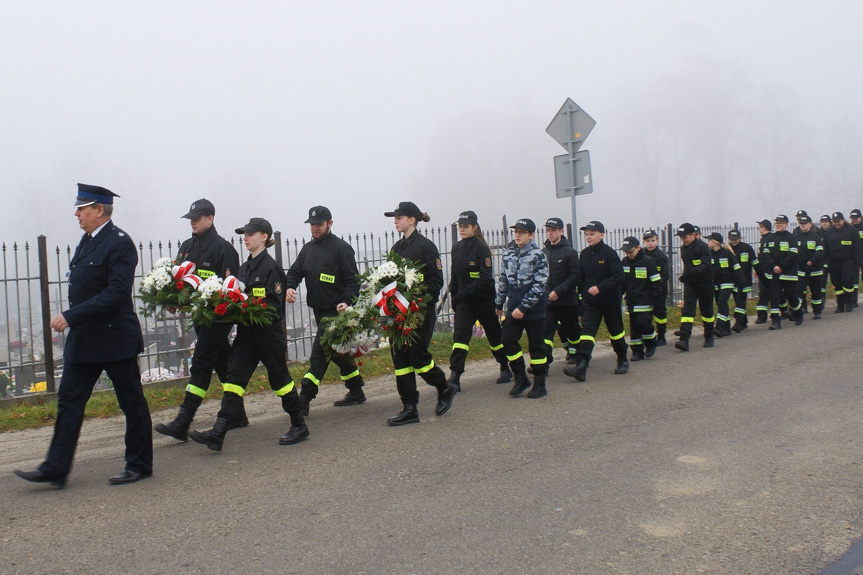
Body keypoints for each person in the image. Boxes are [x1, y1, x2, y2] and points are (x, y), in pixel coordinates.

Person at [15, 184, 152, 487]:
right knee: (69, 401)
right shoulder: (87, 241)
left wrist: (70, 316)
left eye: (82, 208)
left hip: (114, 339)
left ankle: (139, 464)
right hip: (85, 340)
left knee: (131, 401)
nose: (77, 213)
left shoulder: (119, 243)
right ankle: (55, 468)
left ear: (99, 210)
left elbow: (116, 292)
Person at [189, 218, 308, 451]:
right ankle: (219, 431)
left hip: (267, 336)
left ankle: (299, 424)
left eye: (250, 234)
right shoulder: (243, 268)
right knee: (233, 379)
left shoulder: (271, 268)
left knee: (280, 381)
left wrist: (246, 307)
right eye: (244, 234)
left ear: (264, 237)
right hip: (246, 335)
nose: (245, 237)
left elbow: (274, 306)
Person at [154, 198, 243, 441]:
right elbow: (179, 282)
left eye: (197, 218)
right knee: (223, 364)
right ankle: (237, 414)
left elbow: (232, 288)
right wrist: (174, 300)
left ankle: (183, 422)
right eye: (190, 218)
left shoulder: (224, 249)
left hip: (218, 319)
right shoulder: (186, 247)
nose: (192, 222)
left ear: (210, 218)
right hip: (199, 318)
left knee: (201, 365)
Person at [285, 206, 367, 413]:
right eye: (312, 224)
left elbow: (353, 281)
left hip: (336, 313)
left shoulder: (341, 249)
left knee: (319, 354)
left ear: (330, 223)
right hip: (318, 310)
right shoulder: (308, 250)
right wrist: (289, 287)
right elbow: (295, 272)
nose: (315, 228)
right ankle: (356, 390)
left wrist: (347, 301)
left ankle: (304, 399)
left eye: (319, 224)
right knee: (338, 354)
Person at [383, 202, 457, 425]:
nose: (395, 221)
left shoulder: (426, 247)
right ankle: (409, 407)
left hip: (419, 311)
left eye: (399, 217)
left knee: (417, 356)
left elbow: (436, 281)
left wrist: (415, 296)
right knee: (400, 358)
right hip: (399, 312)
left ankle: (444, 387)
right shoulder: (397, 248)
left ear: (412, 220)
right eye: (394, 218)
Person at [447, 210, 512, 391]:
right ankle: (455, 377)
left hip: (483, 301)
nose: (462, 229)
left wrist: (465, 293)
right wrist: (454, 296)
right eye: (460, 226)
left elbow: (485, 279)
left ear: (474, 228)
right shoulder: (457, 248)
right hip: (464, 303)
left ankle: (505, 366)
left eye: (466, 226)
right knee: (460, 337)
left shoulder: (482, 249)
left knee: (494, 335)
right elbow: (454, 276)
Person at [563, 221, 628, 381]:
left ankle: (622, 359)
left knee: (616, 332)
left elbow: (619, 276)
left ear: (601, 235)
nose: (588, 237)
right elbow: (581, 279)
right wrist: (581, 301)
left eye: (592, 234)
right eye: (586, 234)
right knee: (587, 333)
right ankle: (581, 366)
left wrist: (600, 287)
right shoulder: (584, 254)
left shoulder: (609, 253)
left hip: (610, 301)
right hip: (591, 303)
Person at [495, 218, 549, 397]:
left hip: (533, 310)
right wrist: (499, 302)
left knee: (536, 346)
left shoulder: (538, 256)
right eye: (516, 232)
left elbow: (539, 285)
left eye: (522, 232)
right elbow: (503, 279)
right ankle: (520, 378)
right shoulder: (508, 254)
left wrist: (524, 307)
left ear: (531, 235)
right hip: (513, 307)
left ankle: (540, 384)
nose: (517, 235)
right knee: (508, 340)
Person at [540, 217, 581, 368]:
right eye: (548, 230)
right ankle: (544, 361)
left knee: (572, 331)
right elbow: (541, 276)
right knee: (545, 332)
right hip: (549, 302)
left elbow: (575, 276)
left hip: (566, 301)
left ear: (561, 231)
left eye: (553, 230)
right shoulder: (543, 252)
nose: (550, 233)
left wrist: (559, 291)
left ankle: (578, 354)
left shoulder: (569, 252)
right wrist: (546, 293)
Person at [673, 222, 715, 351]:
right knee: (687, 310)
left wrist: (690, 274)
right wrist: (686, 277)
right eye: (681, 237)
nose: (683, 240)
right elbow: (688, 266)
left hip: (705, 283)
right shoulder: (683, 248)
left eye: (685, 237)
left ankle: (709, 336)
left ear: (693, 235)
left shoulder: (703, 247)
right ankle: (684, 339)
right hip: (691, 284)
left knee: (706, 311)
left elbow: (705, 266)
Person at [619, 237, 662, 361]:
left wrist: (656, 300)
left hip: (646, 300)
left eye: (630, 252)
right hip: (632, 300)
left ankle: (651, 342)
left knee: (643, 323)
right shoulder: (625, 262)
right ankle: (637, 351)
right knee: (634, 327)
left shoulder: (648, 262)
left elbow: (656, 282)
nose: (628, 255)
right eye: (626, 252)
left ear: (638, 248)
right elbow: (622, 282)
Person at [765, 215, 802, 329]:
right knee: (775, 296)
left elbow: (792, 255)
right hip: (775, 273)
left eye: (781, 222)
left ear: (786, 224)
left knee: (791, 296)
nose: (778, 224)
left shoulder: (791, 238)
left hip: (788, 273)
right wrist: (774, 266)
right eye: (776, 222)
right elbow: (766, 254)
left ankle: (798, 313)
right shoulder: (771, 238)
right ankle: (775, 321)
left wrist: (781, 266)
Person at [822, 211, 863, 313]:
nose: (837, 223)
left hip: (849, 260)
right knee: (836, 282)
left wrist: (858, 261)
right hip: (834, 261)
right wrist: (824, 261)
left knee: (847, 280)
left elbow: (858, 247)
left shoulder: (851, 230)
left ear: (843, 220)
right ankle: (840, 304)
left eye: (838, 221)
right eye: (835, 221)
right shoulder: (829, 233)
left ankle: (850, 302)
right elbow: (825, 249)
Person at [706, 232, 742, 338]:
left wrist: (741, 283)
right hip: (716, 284)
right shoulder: (710, 254)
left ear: (715, 242)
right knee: (721, 304)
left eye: (709, 241)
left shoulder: (726, 254)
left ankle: (719, 327)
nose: (707, 243)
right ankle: (726, 328)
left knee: (722, 302)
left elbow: (737, 268)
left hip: (728, 283)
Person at [795, 215, 825, 319]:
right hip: (801, 270)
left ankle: (817, 311)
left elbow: (820, 251)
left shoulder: (815, 237)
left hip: (814, 270)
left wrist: (812, 261)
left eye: (805, 224)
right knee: (798, 291)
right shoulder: (796, 237)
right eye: (801, 224)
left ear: (810, 224)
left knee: (816, 291)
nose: (803, 226)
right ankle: (796, 311)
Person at [642, 230, 669, 345]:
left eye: (653, 241)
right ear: (644, 242)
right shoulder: (641, 255)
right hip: (644, 289)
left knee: (660, 312)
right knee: (645, 313)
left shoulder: (661, 256)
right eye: (647, 241)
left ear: (657, 241)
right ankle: (647, 336)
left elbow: (665, 275)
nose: (650, 243)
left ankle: (661, 335)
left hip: (659, 289)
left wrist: (656, 286)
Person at [727, 229, 757, 332]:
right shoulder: (727, 249)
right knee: (737, 300)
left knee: (740, 301)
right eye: (731, 239)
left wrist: (760, 275)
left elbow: (754, 262)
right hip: (733, 280)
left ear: (740, 238)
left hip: (745, 280)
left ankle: (739, 323)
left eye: (735, 239)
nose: (734, 241)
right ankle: (744, 321)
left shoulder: (747, 248)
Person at [754, 219, 774, 325]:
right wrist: (757, 270)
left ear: (764, 228)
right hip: (763, 271)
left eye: (760, 227)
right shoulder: (763, 240)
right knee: (763, 293)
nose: (759, 230)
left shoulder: (771, 239)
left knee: (772, 293)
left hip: (771, 271)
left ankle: (781, 312)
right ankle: (762, 315)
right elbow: (760, 257)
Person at [849, 208, 863, 309]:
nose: (854, 220)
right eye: (852, 218)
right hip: (853, 257)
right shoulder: (849, 228)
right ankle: (853, 301)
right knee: (854, 279)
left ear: (860, 217)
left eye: (855, 218)